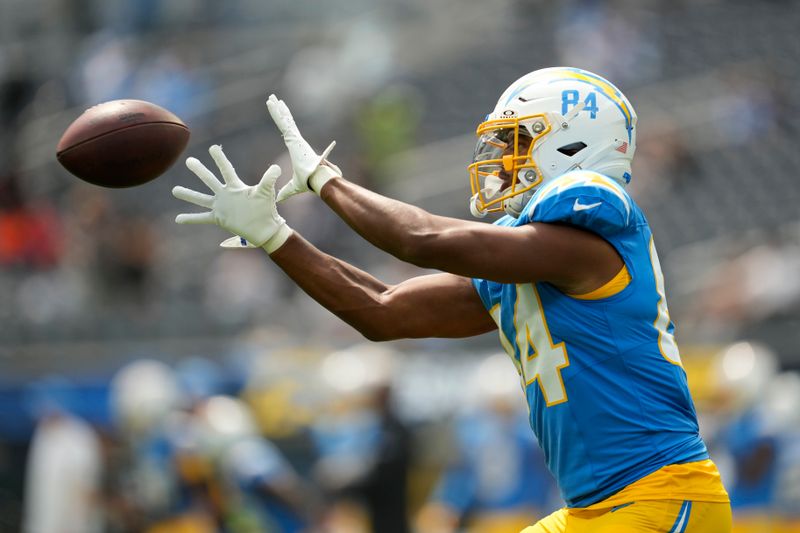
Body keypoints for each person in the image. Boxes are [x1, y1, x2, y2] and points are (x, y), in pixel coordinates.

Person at [173, 67, 732, 532]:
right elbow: (382, 310)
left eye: (518, 141)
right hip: (594, 510)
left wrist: (325, 181)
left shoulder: (591, 239)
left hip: (662, 497)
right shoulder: (528, 266)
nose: (500, 159)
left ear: (573, 141)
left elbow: (424, 240)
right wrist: (275, 236)